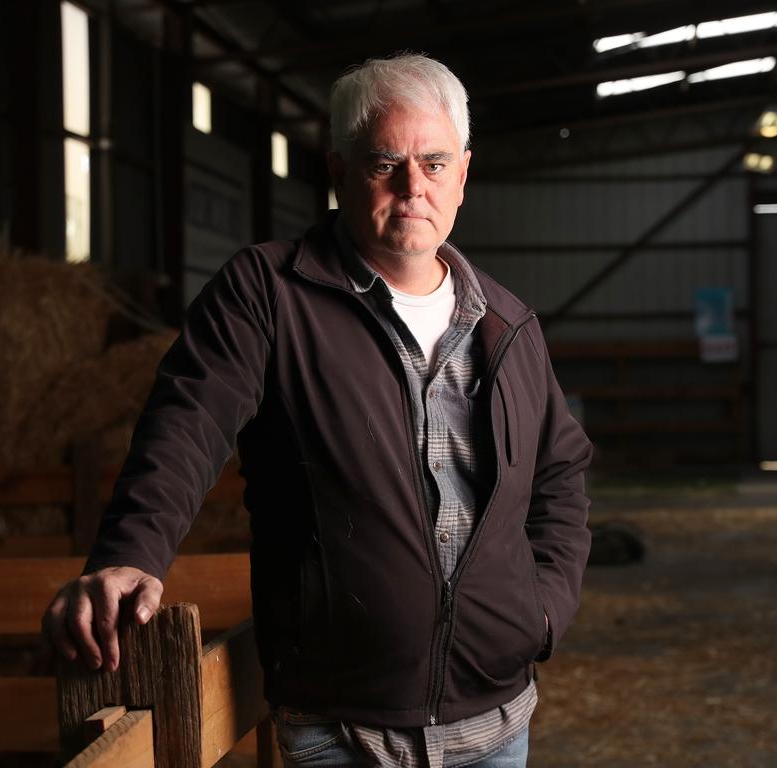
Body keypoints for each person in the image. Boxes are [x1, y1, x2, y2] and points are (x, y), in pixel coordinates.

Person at [41, 53, 592, 768]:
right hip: (339, 726)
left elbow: (562, 473)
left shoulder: (508, 327)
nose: (412, 186)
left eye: (433, 162)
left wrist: (542, 613)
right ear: (337, 172)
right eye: (383, 163)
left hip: (495, 722)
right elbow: (190, 421)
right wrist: (130, 554)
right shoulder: (270, 293)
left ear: (463, 173)